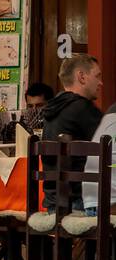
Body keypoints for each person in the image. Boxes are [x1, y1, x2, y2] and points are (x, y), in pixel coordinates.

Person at [42, 55, 103, 215]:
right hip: (81, 203)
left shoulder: (52, 109)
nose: (101, 83)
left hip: (53, 203)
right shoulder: (82, 108)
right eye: (97, 76)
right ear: (82, 77)